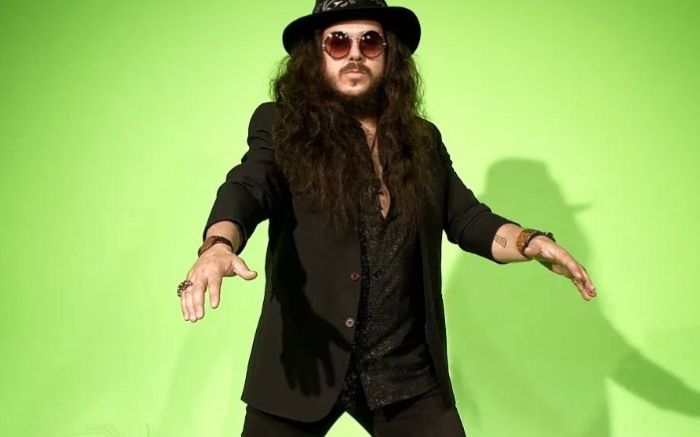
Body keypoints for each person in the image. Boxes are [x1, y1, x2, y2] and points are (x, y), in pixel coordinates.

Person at [176, 1, 597, 435]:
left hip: (404, 369)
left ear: (388, 53)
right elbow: (249, 185)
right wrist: (218, 245)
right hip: (306, 359)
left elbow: (468, 219)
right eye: (338, 42)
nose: (355, 53)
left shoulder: (421, 139)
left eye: (370, 41)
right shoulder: (283, 124)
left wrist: (530, 242)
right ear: (316, 54)